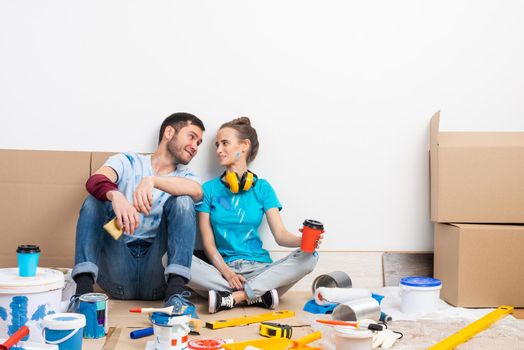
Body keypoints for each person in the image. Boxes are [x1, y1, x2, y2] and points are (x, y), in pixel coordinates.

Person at [70, 112, 205, 317]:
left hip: (158, 274)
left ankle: (176, 296)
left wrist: (152, 181)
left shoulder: (185, 176)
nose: (195, 146)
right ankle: (83, 297)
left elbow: (196, 191)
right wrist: (116, 196)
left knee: (184, 201)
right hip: (117, 265)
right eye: (191, 136)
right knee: (94, 201)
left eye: (199, 142)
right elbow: (95, 180)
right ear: (169, 132)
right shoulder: (127, 161)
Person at [188, 117, 321, 313]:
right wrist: (227, 273)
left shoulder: (263, 188)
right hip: (223, 271)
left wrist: (304, 241)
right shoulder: (208, 190)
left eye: (225, 143)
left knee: (311, 257)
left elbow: (281, 235)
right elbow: (208, 243)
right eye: (217, 144)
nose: (218, 150)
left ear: (244, 145)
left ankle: (237, 297)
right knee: (171, 257)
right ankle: (259, 296)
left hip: (260, 270)